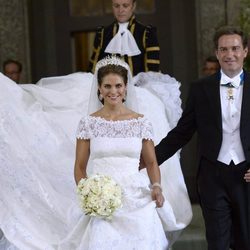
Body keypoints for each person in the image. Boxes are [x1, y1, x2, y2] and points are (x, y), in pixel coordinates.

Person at [0, 56, 192, 249]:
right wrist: (88, 195)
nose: (113, 91)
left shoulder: (141, 122)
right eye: (107, 86)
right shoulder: (88, 123)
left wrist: (157, 186)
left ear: (126, 88)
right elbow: (80, 166)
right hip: (102, 199)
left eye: (118, 85)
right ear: (99, 89)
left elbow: (151, 162)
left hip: (137, 199)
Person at [154, 26, 250, 250]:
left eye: (235, 48)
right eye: (223, 49)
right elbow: (182, 132)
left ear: (245, 51)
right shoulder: (200, 89)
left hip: (247, 176)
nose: (229, 54)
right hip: (212, 178)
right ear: (217, 53)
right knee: (217, 243)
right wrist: (149, 158)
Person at [88, 0, 160, 76]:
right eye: (116, 6)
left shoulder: (146, 33)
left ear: (133, 6)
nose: (120, 10)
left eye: (125, 6)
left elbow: (152, 73)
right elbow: (93, 70)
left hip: (139, 87)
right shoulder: (102, 34)